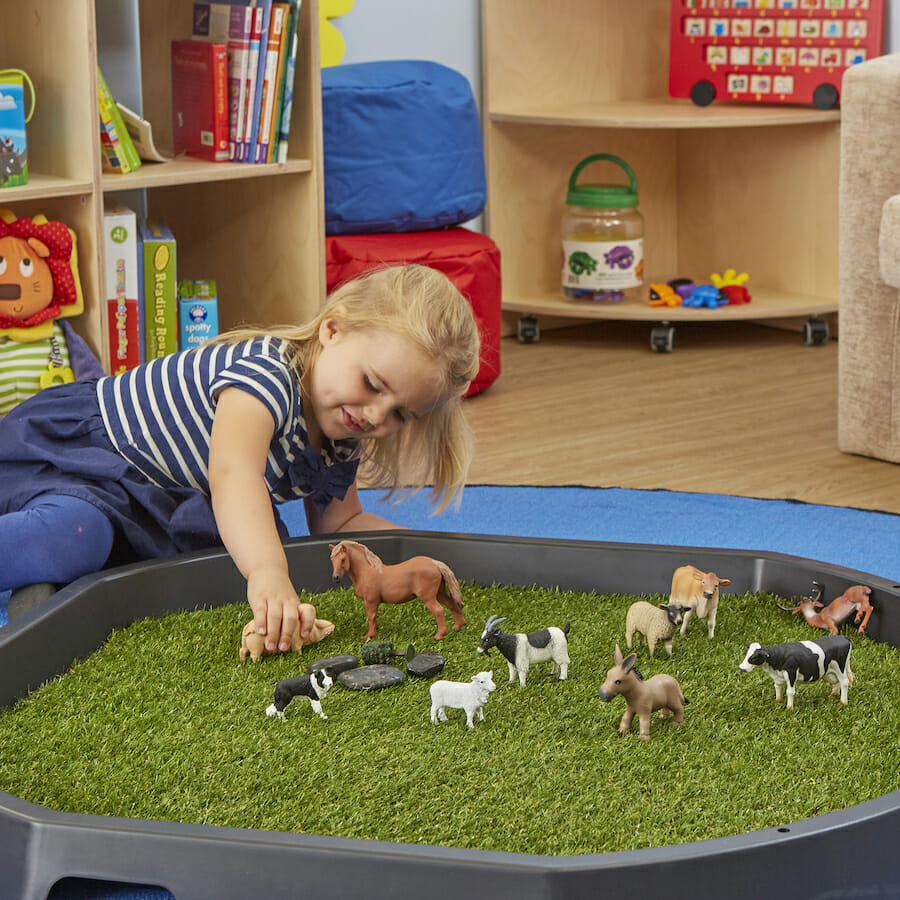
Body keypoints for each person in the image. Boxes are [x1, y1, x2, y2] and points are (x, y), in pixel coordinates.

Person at [0, 264, 481, 651]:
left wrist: (426, 553)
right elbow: (233, 475)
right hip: (89, 460)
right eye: (372, 384)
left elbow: (341, 525)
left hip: (163, 501)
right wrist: (267, 572)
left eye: (400, 413)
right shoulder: (267, 375)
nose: (376, 414)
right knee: (79, 538)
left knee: (251, 558)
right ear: (333, 331)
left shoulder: (341, 436)